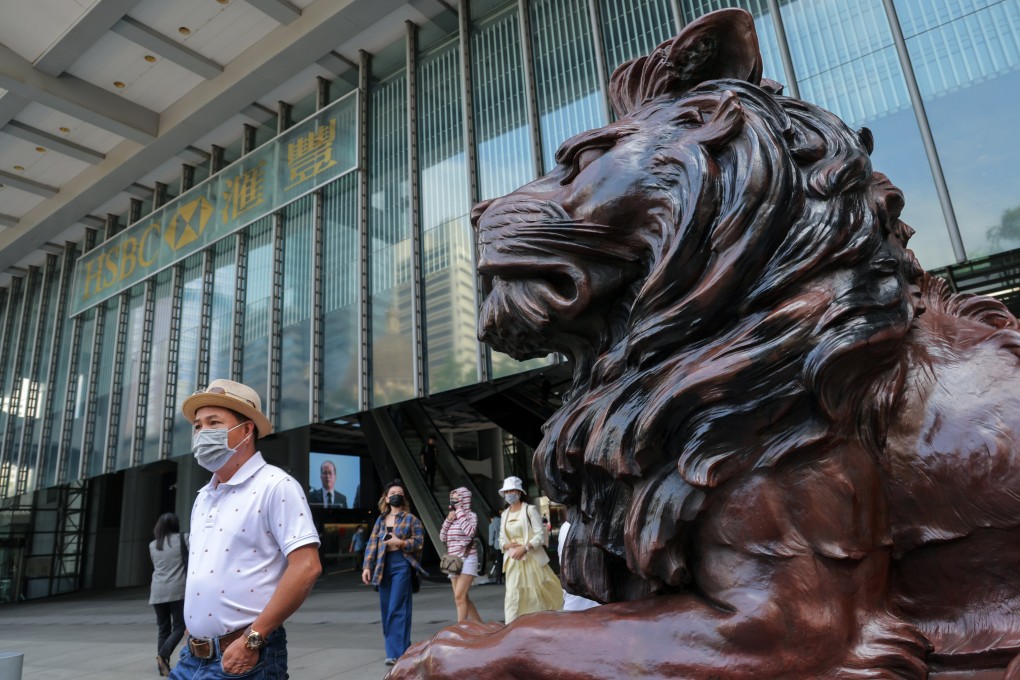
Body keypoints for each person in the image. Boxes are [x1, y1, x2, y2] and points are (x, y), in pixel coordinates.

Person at [171, 379, 321, 680]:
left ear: (246, 430)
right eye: (198, 426)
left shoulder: (276, 485)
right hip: (192, 656)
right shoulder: (203, 497)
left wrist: (253, 639)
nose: (202, 433)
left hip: (245, 658)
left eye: (214, 422)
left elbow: (306, 567)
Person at [362, 479, 425, 666]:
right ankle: (403, 646)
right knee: (386, 609)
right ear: (387, 499)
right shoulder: (381, 520)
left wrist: (401, 542)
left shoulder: (411, 519)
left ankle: (393, 652)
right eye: (392, 493)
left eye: (400, 493)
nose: (396, 495)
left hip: (402, 564)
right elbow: (372, 543)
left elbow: (419, 543)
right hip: (382, 566)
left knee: (397, 607)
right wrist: (367, 566)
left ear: (403, 497)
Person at [498, 476, 563, 623]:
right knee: (513, 595)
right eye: (507, 491)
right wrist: (506, 545)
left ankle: (539, 623)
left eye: (512, 490)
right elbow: (501, 538)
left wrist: (525, 547)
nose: (510, 494)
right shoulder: (504, 514)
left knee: (536, 594)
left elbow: (539, 535)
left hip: (532, 560)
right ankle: (512, 625)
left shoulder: (529, 510)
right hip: (513, 561)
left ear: (519, 492)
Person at [149, 512, 187, 677]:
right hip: (177, 590)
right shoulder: (183, 539)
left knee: (163, 629)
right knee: (179, 626)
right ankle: (163, 654)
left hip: (157, 591)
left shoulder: (152, 545)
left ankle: (162, 666)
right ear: (175, 525)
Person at [440, 487, 482, 622]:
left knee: (459, 597)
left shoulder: (471, 516)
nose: (454, 501)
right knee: (463, 598)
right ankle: (481, 625)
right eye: (452, 499)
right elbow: (442, 537)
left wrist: (459, 512)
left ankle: (461, 628)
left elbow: (470, 532)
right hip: (453, 561)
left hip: (468, 558)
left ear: (464, 499)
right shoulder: (451, 517)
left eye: (457, 499)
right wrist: (448, 520)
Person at [556, 519, 599, 612]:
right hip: (582, 600)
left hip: (575, 602)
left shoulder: (566, 527)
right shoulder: (567, 527)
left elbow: (563, 564)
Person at [487, 510, 503, 584]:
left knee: (498, 562)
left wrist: (490, 546)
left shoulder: (492, 525)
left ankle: (499, 578)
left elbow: (491, 538)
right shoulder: (502, 520)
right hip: (506, 544)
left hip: (497, 545)